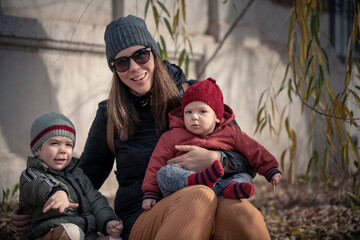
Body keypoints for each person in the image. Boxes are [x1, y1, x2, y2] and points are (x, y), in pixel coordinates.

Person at [12, 14, 272, 240]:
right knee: (198, 197)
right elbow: (85, 177)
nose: (134, 68)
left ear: (154, 53)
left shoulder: (196, 96)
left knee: (242, 213)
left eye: (141, 55)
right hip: (144, 214)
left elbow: (249, 155)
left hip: (213, 197)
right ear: (114, 69)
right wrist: (38, 205)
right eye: (122, 62)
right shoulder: (111, 115)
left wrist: (219, 159)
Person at [142, 78, 282, 210]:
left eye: (202, 111)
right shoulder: (172, 136)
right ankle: (197, 179)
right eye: (188, 112)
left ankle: (235, 189)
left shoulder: (230, 133)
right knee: (165, 172)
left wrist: (270, 169)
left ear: (216, 117)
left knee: (243, 177)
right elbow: (156, 162)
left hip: (223, 184)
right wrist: (150, 192)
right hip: (187, 189)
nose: (194, 117)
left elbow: (254, 150)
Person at [19, 112, 123, 240]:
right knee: (72, 231)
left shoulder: (78, 175)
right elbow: (38, 185)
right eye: (54, 143)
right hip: (50, 234)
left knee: (115, 239)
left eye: (68, 144)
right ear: (36, 150)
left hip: (87, 235)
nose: (63, 149)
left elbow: (96, 200)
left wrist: (107, 221)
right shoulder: (32, 174)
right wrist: (56, 192)